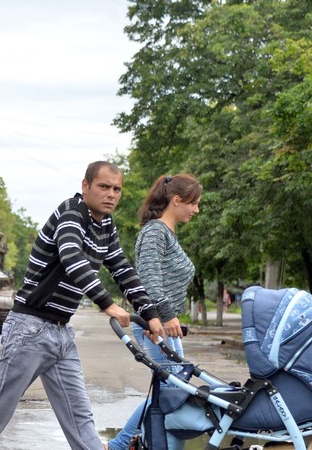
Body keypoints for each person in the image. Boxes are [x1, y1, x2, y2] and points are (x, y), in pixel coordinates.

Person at [0, 161, 166, 450]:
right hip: (29, 329)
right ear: (86, 186)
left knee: (80, 418)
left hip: (61, 335)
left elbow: (122, 270)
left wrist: (151, 315)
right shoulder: (71, 213)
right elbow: (71, 256)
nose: (111, 194)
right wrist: (107, 304)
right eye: (104, 187)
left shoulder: (106, 225)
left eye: (117, 189)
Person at [108, 173, 202, 450]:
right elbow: (148, 278)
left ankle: (143, 442)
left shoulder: (166, 233)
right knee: (171, 392)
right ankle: (119, 445)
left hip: (163, 322)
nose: (196, 209)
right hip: (156, 322)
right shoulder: (154, 232)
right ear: (176, 200)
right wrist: (164, 315)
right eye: (193, 203)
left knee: (172, 391)